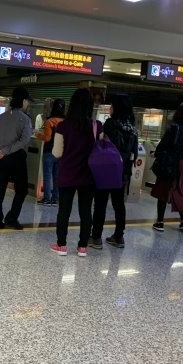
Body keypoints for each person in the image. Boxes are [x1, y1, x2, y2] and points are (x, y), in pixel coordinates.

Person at [50, 88, 102, 257]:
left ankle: (61, 245)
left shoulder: (63, 126)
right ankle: (82, 247)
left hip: (68, 174)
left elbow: (57, 153)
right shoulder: (96, 126)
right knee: (86, 211)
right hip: (89, 176)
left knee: (64, 210)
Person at [89, 94, 139, 249]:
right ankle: (119, 236)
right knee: (119, 204)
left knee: (100, 204)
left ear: (117, 107)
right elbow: (134, 150)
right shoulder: (132, 127)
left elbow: (103, 143)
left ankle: (96, 237)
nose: (110, 108)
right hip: (123, 172)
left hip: (107, 169)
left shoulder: (111, 123)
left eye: (112, 105)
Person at [151, 101, 183, 232]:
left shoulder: (174, 128)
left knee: (163, 189)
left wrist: (157, 154)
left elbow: (163, 145)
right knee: (178, 189)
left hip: (170, 162)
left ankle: (160, 222)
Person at [0, 86, 33, 230]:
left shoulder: (2, 116)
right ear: (23, 100)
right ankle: (11, 218)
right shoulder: (25, 119)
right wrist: (7, 150)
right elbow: (24, 140)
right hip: (16, 158)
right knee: (21, 189)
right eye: (27, 101)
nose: (28, 104)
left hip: (0, 157)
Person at [36, 98, 66, 206]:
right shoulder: (66, 122)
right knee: (57, 176)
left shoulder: (50, 121)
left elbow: (47, 138)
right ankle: (55, 199)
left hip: (49, 152)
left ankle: (47, 199)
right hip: (61, 153)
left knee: (47, 176)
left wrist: (38, 135)